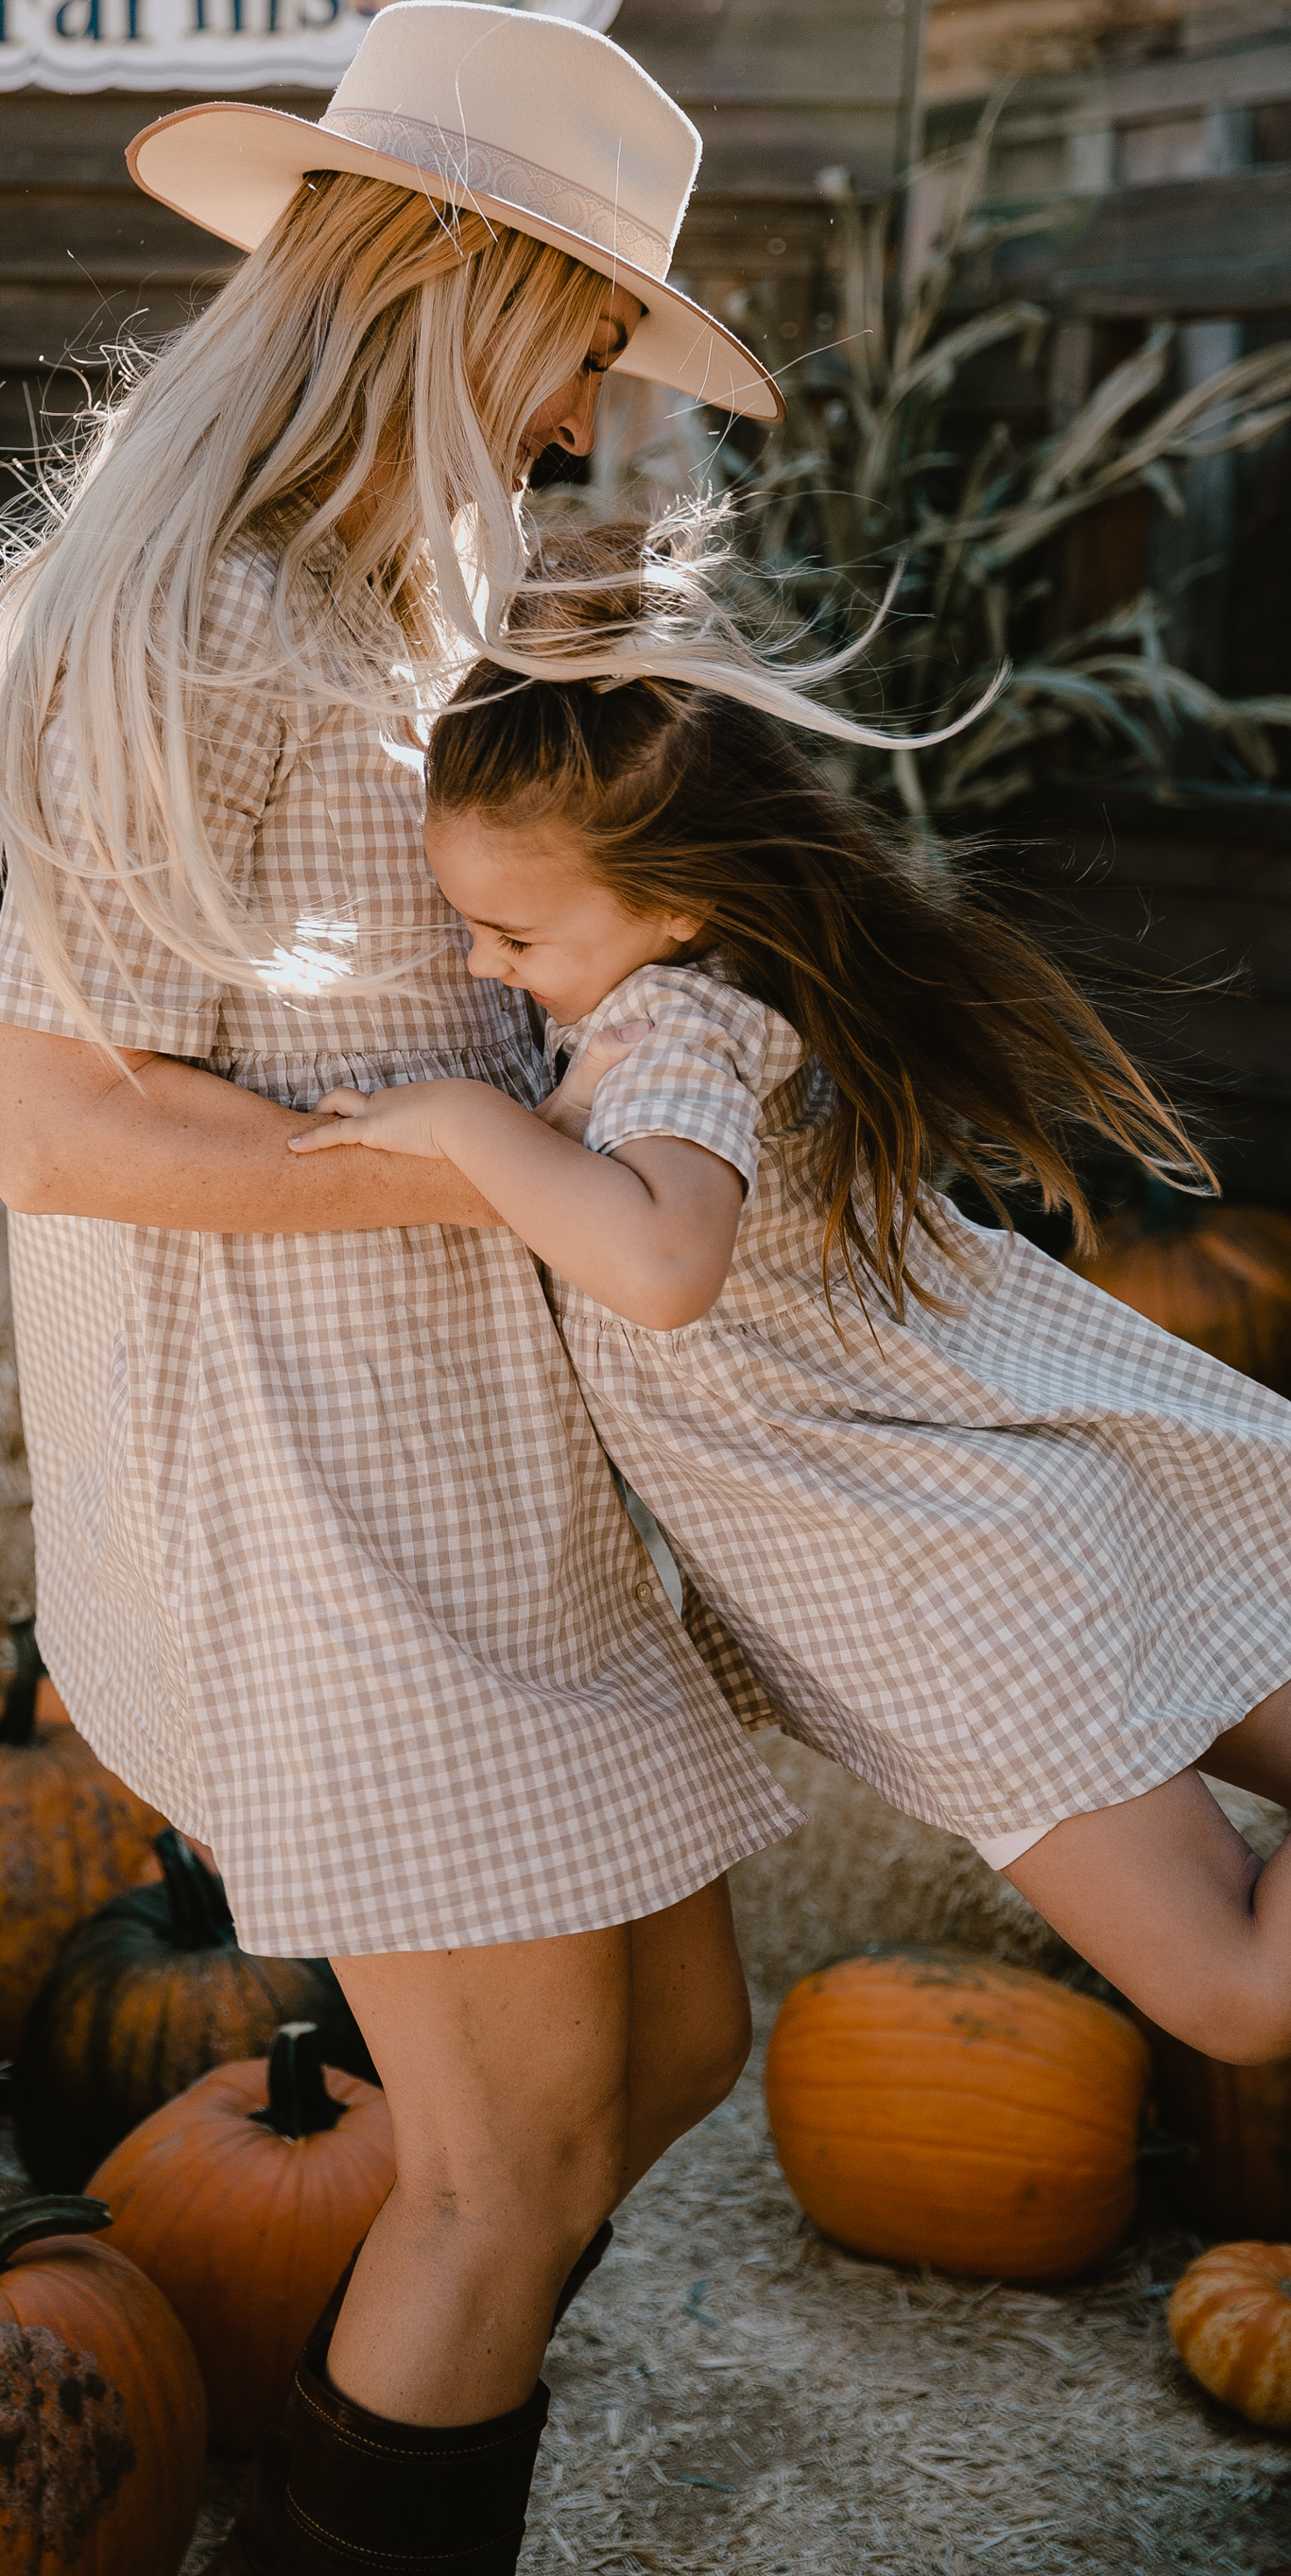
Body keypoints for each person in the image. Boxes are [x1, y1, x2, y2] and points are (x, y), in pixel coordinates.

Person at [0, 4, 915, 2574]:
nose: (580, 407)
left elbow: (428, 1010)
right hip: (318, 1495)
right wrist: (522, 1169)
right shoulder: (192, 615)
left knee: (668, 2050)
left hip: (463, 1461)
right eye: (576, 335)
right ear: (443, 273)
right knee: (506, 2165)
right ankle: (375, 2446)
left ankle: (354, 2395)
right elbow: (65, 1121)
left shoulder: (381, 607)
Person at [290, 528, 1291, 2073]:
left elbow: (664, 1267)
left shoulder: (676, 1026)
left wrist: (465, 1121)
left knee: (1235, 1990)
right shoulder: (696, 1001)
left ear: (677, 902)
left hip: (956, 1595)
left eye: (516, 937)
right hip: (975, 1532)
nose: (488, 975)